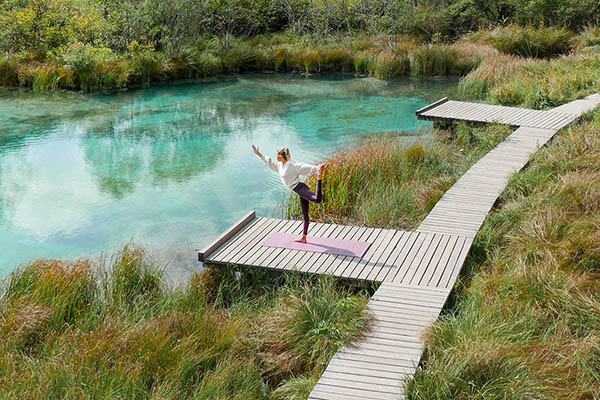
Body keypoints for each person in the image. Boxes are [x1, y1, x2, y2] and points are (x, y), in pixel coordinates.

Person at [252, 144, 325, 243]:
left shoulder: (291, 165)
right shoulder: (280, 165)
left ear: (280, 156)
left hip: (300, 188)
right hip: (297, 189)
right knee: (305, 215)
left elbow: (304, 167)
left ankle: (319, 179)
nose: (275, 157)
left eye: (276, 155)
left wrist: (317, 168)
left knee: (317, 199)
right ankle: (303, 238)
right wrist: (259, 154)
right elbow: (269, 161)